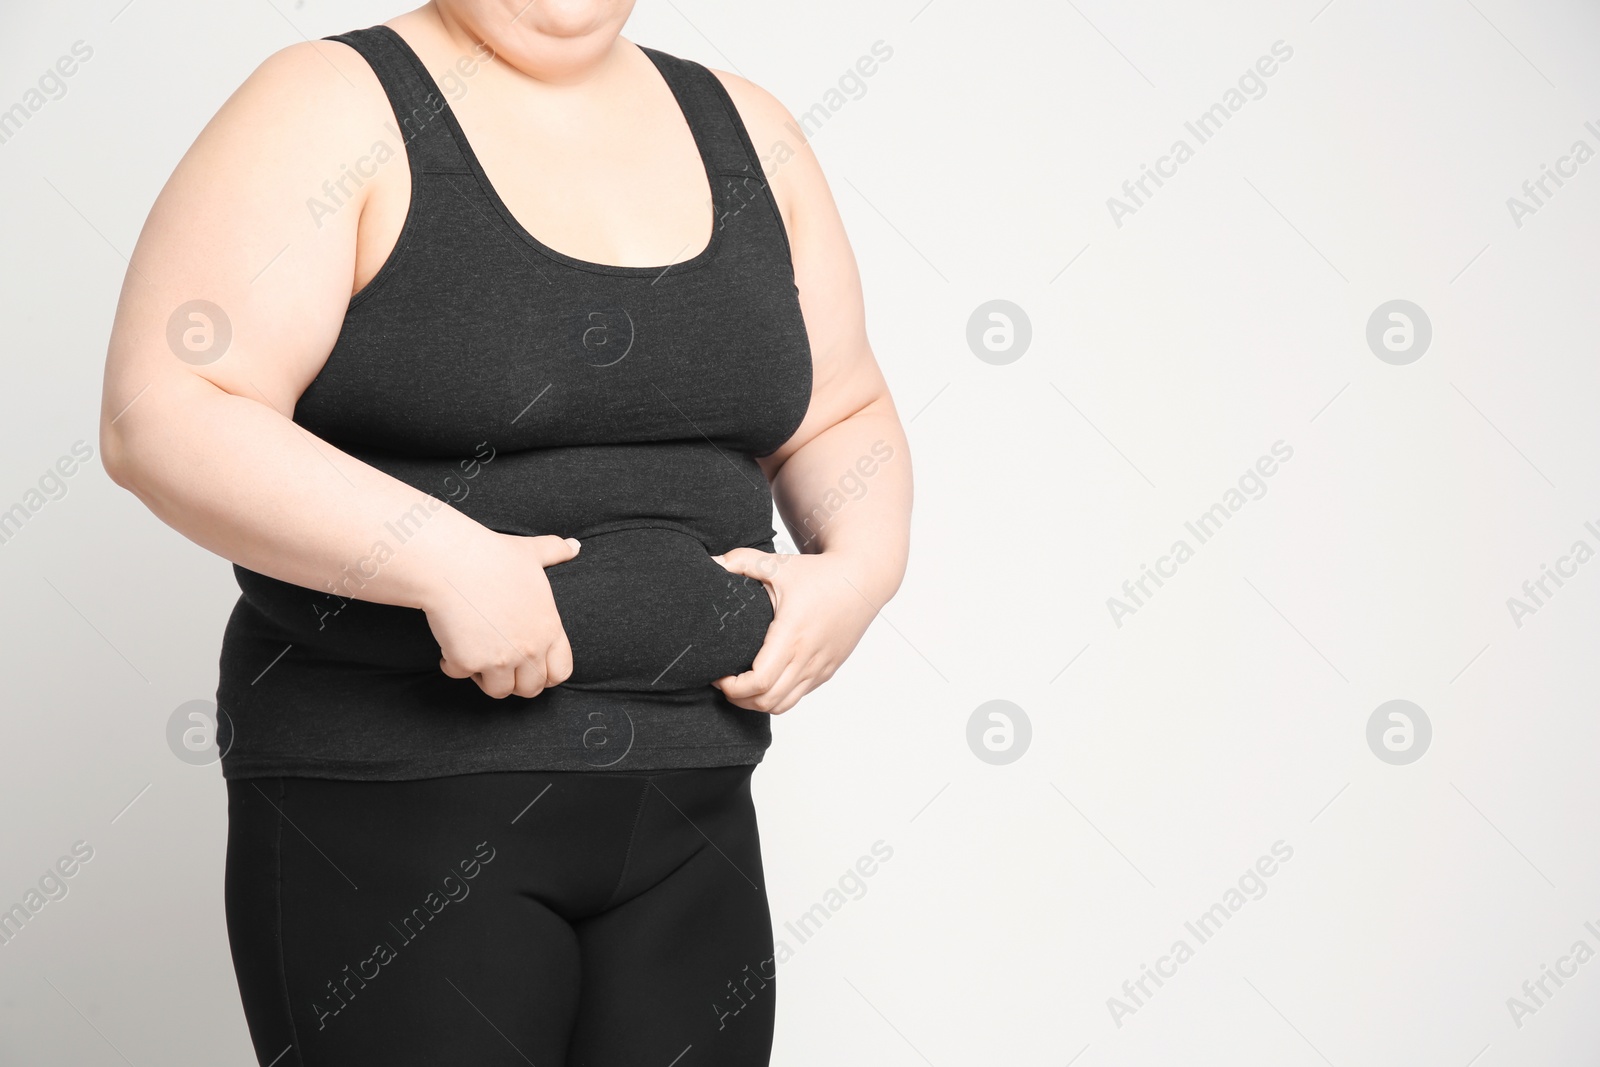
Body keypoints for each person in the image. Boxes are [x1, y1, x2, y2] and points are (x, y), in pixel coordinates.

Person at [97, 1, 911, 1064]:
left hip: (692, 796)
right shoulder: (329, 107)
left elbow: (840, 409)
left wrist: (858, 568)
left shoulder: (750, 131)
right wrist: (435, 554)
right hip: (397, 806)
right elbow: (164, 408)